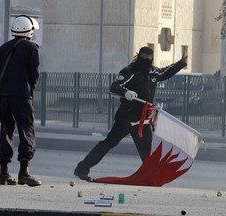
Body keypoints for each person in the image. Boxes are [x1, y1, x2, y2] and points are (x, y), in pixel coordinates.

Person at [74, 46, 188, 180]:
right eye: (142, 58)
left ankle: (150, 176)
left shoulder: (153, 72)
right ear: (138, 56)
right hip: (126, 118)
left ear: (151, 59)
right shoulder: (129, 71)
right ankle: (81, 169)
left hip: (142, 119)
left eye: (148, 59)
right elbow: (115, 87)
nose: (144, 61)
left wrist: (181, 63)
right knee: (108, 143)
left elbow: (166, 72)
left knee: (147, 149)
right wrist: (125, 92)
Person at [0, 15, 41, 186]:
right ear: (28, 30)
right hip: (22, 96)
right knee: (26, 131)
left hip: (5, 97)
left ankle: (4, 174)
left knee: (6, 132)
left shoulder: (3, 48)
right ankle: (24, 173)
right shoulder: (32, 48)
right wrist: (29, 89)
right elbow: (34, 75)